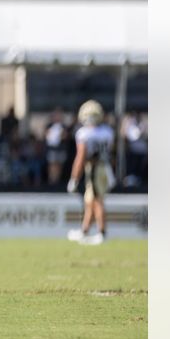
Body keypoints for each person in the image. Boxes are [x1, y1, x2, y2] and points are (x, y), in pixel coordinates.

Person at [67, 100, 115, 245]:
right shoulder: (107, 132)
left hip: (94, 169)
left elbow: (80, 157)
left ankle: (102, 232)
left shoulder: (84, 134)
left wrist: (74, 178)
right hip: (105, 168)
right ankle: (85, 230)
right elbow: (111, 152)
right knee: (90, 201)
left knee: (97, 200)